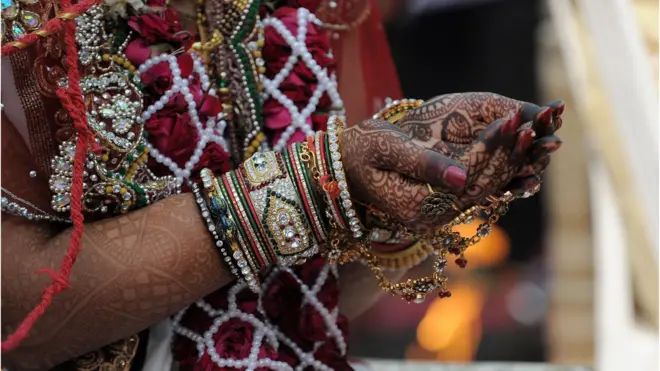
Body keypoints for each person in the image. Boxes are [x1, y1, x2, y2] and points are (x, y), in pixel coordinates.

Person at [0, 0, 564, 369]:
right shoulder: (27, 20)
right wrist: (316, 186)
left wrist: (395, 196)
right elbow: (21, 325)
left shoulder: (296, 12)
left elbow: (310, 298)